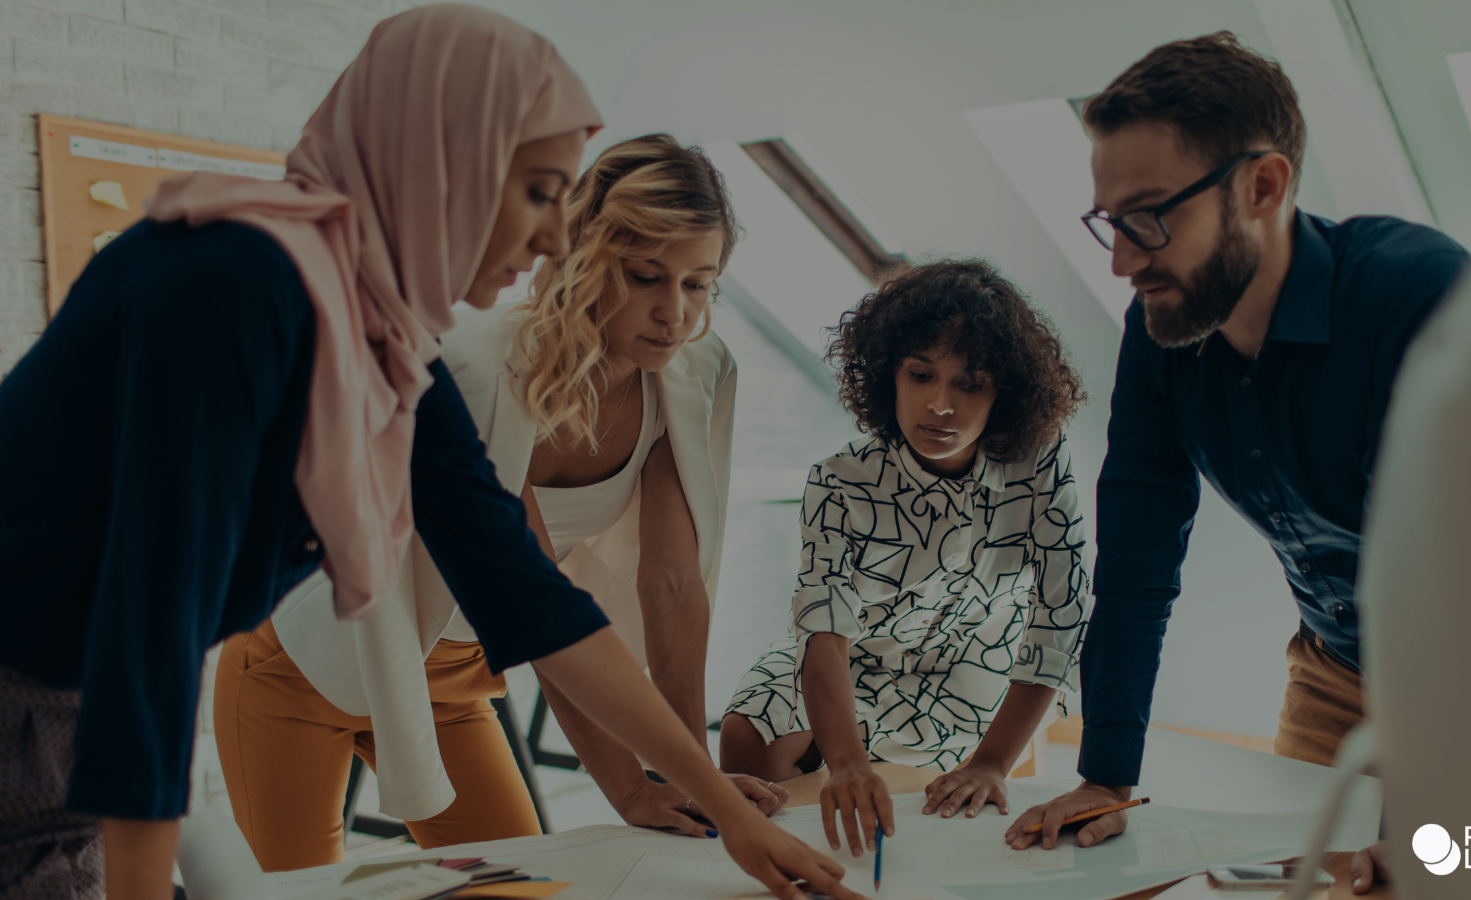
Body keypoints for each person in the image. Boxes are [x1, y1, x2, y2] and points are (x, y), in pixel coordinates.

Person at [0, 7, 861, 900]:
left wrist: (727, 809)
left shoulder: (386, 344)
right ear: (436, 162)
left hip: (66, 714)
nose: (553, 243)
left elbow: (524, 589)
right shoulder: (232, 283)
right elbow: (151, 615)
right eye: (536, 192)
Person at [1001, 32, 1471, 893]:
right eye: (1109, 219)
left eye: (1149, 216)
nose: (1122, 259)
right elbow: (1136, 565)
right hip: (1337, 666)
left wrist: (1411, 830)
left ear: (1264, 185)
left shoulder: (1418, 295)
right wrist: (1104, 777)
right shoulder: (1160, 335)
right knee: (1314, 883)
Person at [216, 133, 783, 869]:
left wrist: (689, 779)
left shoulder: (692, 371)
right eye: (646, 276)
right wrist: (642, 786)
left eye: (698, 283)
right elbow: (535, 604)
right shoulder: (479, 364)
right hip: (300, 667)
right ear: (584, 259)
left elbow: (672, 584)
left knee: (519, 889)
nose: (674, 312)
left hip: (452, 680)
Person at [721, 259, 1091, 859]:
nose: (940, 404)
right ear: (888, 373)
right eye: (921, 376)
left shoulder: (1040, 460)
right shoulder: (839, 483)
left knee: (950, 800)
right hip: (859, 658)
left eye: (969, 384)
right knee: (746, 737)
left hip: (978, 665)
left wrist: (995, 762)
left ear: (1006, 392)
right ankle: (806, 868)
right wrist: (843, 763)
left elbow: (1061, 613)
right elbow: (825, 631)